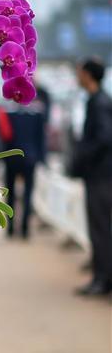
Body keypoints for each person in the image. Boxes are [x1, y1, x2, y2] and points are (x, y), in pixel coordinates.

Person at [70, 58, 112, 296]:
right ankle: (102, 276)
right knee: (100, 226)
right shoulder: (98, 100)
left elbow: (104, 138)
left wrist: (84, 155)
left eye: (80, 71)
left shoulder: (99, 103)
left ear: (88, 75)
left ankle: (102, 279)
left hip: (100, 175)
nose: (77, 75)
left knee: (100, 227)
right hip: (100, 173)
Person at [4, 86, 49, 239]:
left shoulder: (9, 113)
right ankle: (24, 228)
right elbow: (41, 139)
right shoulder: (37, 114)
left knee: (10, 192)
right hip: (30, 158)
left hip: (11, 158)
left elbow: (5, 138)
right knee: (28, 192)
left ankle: (10, 227)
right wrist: (42, 158)